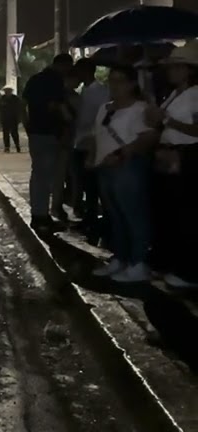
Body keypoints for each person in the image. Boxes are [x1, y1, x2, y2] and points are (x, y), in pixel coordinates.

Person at [91, 65, 157, 284]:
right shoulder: (105, 108)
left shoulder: (140, 109)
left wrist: (121, 154)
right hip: (105, 168)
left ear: (131, 84)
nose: (115, 85)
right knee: (115, 216)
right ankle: (120, 257)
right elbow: (96, 136)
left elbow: (148, 138)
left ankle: (138, 262)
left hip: (127, 167)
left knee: (133, 214)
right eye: (112, 80)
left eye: (120, 81)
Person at [147, 41, 198, 289]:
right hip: (168, 156)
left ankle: (189, 271)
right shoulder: (175, 94)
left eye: (177, 67)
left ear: (189, 69)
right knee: (169, 212)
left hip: (187, 157)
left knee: (185, 214)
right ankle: (170, 262)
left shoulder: (195, 94)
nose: (171, 71)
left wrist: (167, 120)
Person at [22, 53, 74, 227]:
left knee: (38, 174)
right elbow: (57, 106)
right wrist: (68, 122)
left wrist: (28, 126)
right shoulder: (55, 82)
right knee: (46, 176)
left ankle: (38, 214)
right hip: (50, 132)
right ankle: (41, 216)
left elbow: (25, 106)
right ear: (64, 66)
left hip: (36, 132)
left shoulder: (34, 80)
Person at [70, 59, 109, 231]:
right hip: (81, 141)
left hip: (91, 142)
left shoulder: (99, 92)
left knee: (92, 183)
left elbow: (99, 118)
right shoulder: (86, 91)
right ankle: (90, 216)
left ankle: (96, 219)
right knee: (87, 183)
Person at [0, 87, 22, 153]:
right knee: (6, 133)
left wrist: (19, 118)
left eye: (8, 91)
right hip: (5, 119)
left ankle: (17, 146)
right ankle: (7, 147)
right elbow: (0, 109)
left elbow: (19, 108)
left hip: (13, 118)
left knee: (14, 133)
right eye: (6, 91)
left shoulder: (15, 99)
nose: (7, 92)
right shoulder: (2, 99)